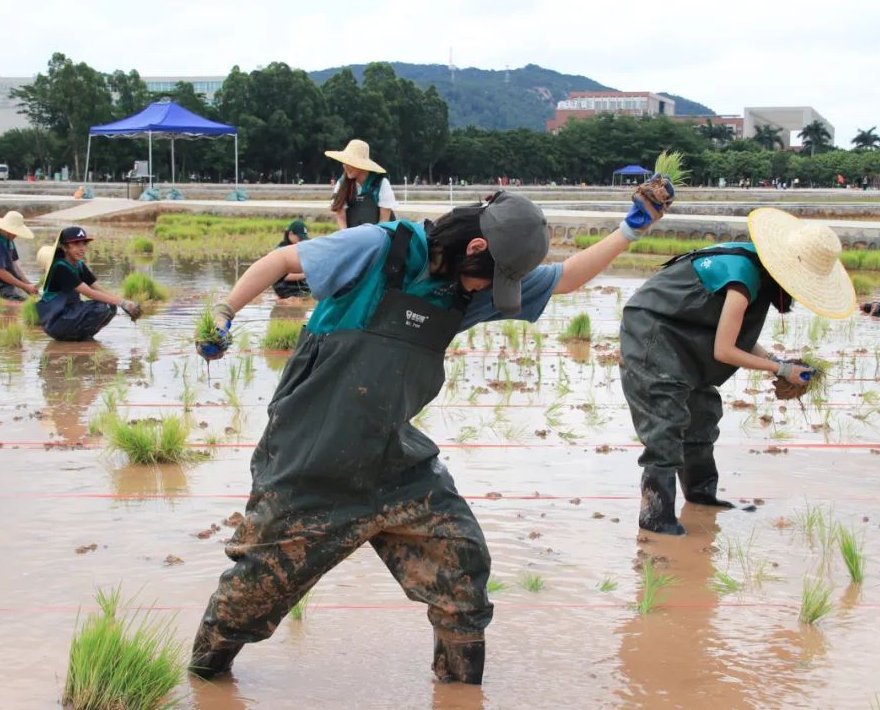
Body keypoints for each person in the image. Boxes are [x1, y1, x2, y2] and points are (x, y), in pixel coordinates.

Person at [189, 180, 676, 683]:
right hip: (310, 456)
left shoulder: (467, 291)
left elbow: (567, 278)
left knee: (461, 564)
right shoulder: (382, 247)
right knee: (252, 594)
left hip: (391, 458)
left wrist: (630, 230)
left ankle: (461, 688)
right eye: (491, 278)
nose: (490, 291)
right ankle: (203, 677)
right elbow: (282, 264)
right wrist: (225, 313)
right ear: (476, 248)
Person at [619, 208, 856, 536]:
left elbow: (737, 338)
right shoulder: (742, 277)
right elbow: (724, 351)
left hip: (688, 334)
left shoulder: (754, 269)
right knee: (667, 419)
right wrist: (781, 368)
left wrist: (777, 362)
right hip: (653, 332)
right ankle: (656, 518)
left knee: (702, 411)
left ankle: (701, 496)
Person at [34, 226, 141, 341]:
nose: (82, 248)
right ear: (64, 247)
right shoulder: (60, 268)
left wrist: (124, 304)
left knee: (110, 306)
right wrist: (122, 302)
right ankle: (73, 338)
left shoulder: (79, 265)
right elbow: (90, 293)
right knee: (102, 306)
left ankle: (83, 338)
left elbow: (98, 289)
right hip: (56, 321)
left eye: (84, 244)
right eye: (76, 244)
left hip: (69, 314)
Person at [326, 139, 397, 228]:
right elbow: (341, 218)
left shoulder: (381, 183)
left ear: (362, 165)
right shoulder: (342, 183)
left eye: (350, 163)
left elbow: (384, 221)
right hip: (353, 237)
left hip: (380, 236)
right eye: (344, 163)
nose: (346, 166)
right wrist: (347, 238)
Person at [0, 210, 39, 300]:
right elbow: (0, 273)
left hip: (8, 281)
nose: (16, 235)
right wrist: (25, 287)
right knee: (20, 301)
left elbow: (16, 266)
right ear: (7, 229)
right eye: (14, 231)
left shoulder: (9, 241)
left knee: (30, 298)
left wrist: (28, 284)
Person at [271, 219, 310, 299]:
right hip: (286, 289)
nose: (302, 241)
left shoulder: (298, 249)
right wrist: (306, 274)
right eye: (300, 238)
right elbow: (285, 276)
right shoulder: (281, 251)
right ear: (291, 234)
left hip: (299, 287)